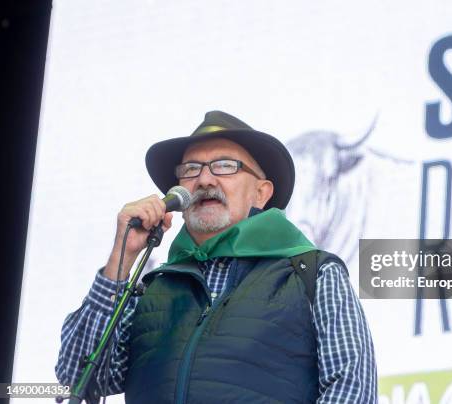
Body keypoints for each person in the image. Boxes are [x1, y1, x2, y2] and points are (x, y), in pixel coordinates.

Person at [55, 110, 377, 403]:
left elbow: (352, 390)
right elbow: (76, 378)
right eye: (191, 169)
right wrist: (121, 260)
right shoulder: (151, 289)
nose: (205, 179)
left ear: (261, 193)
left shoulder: (312, 274)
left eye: (225, 166)